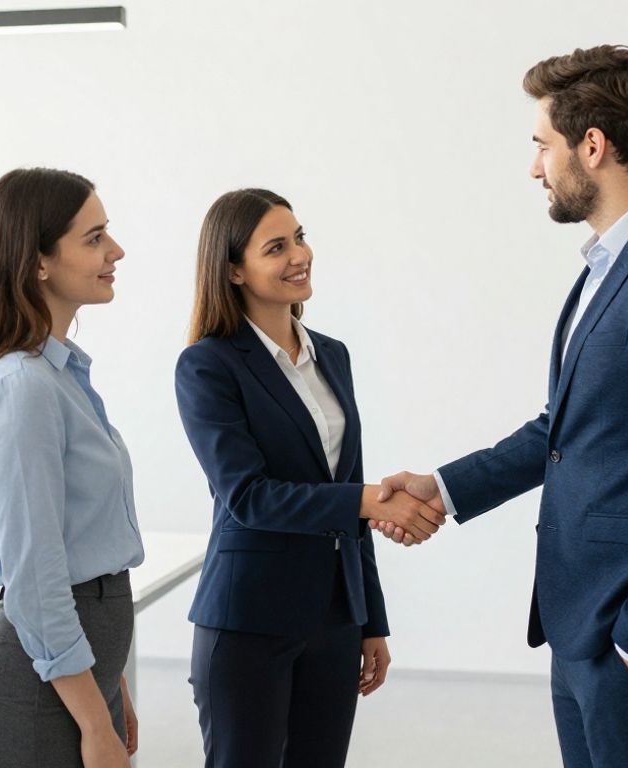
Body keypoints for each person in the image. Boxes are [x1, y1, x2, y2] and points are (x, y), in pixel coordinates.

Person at [378, 45, 628, 767]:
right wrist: (445, 488)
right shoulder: (610, 267)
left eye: (541, 145)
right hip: (584, 624)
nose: (533, 168)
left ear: (593, 146)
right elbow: (564, 429)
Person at [174, 188, 442, 768]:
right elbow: (247, 497)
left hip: (334, 620)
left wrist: (369, 618)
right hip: (249, 620)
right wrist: (372, 501)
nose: (300, 254)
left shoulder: (333, 355)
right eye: (276, 246)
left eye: (299, 236)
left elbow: (353, 492)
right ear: (234, 270)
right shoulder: (209, 365)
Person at [0, 168, 141, 768]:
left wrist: (113, 689)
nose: (116, 251)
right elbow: (36, 577)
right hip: (34, 697)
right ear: (38, 262)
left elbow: (82, 545)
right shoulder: (23, 388)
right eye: (94, 238)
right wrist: (94, 718)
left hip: (79, 674)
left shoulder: (58, 377)